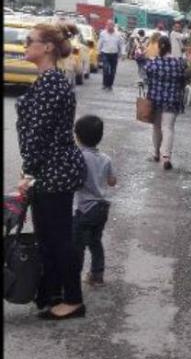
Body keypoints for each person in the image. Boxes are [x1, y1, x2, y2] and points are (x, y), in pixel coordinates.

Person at [15, 22, 87, 319]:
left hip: (53, 171)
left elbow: (38, 135)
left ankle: (73, 299)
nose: (24, 45)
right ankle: (53, 292)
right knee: (48, 237)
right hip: (50, 170)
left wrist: (28, 173)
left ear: (47, 47)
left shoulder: (51, 83)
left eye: (29, 40)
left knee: (58, 238)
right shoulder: (49, 80)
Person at [73, 114, 117, 286]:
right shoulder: (106, 158)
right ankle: (97, 275)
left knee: (78, 245)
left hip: (85, 209)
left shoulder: (79, 156)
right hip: (102, 208)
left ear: (77, 136)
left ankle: (73, 276)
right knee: (95, 242)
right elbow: (112, 181)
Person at [145, 35, 187, 171]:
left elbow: (146, 76)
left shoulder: (153, 63)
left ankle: (156, 153)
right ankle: (166, 158)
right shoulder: (179, 63)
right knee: (168, 128)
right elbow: (184, 79)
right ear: (170, 47)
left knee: (156, 127)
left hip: (155, 99)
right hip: (172, 99)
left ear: (159, 47)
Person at [97, 20, 126, 90]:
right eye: (108, 25)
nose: (109, 27)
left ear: (113, 26)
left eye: (111, 25)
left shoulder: (118, 34)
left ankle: (110, 85)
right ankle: (104, 84)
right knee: (106, 69)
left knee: (113, 71)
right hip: (105, 54)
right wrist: (98, 52)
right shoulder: (103, 33)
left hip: (114, 54)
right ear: (106, 25)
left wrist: (123, 53)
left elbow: (122, 45)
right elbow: (99, 43)